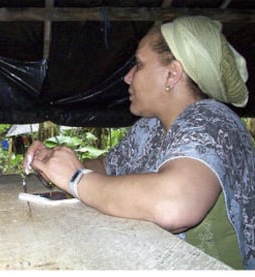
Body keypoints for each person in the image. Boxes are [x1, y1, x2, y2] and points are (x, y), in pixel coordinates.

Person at [24, 16, 255, 269]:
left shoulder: (213, 120)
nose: (127, 77)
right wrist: (55, 165)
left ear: (172, 74)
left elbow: (175, 206)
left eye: (139, 64)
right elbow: (107, 166)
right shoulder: (151, 127)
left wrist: (77, 179)